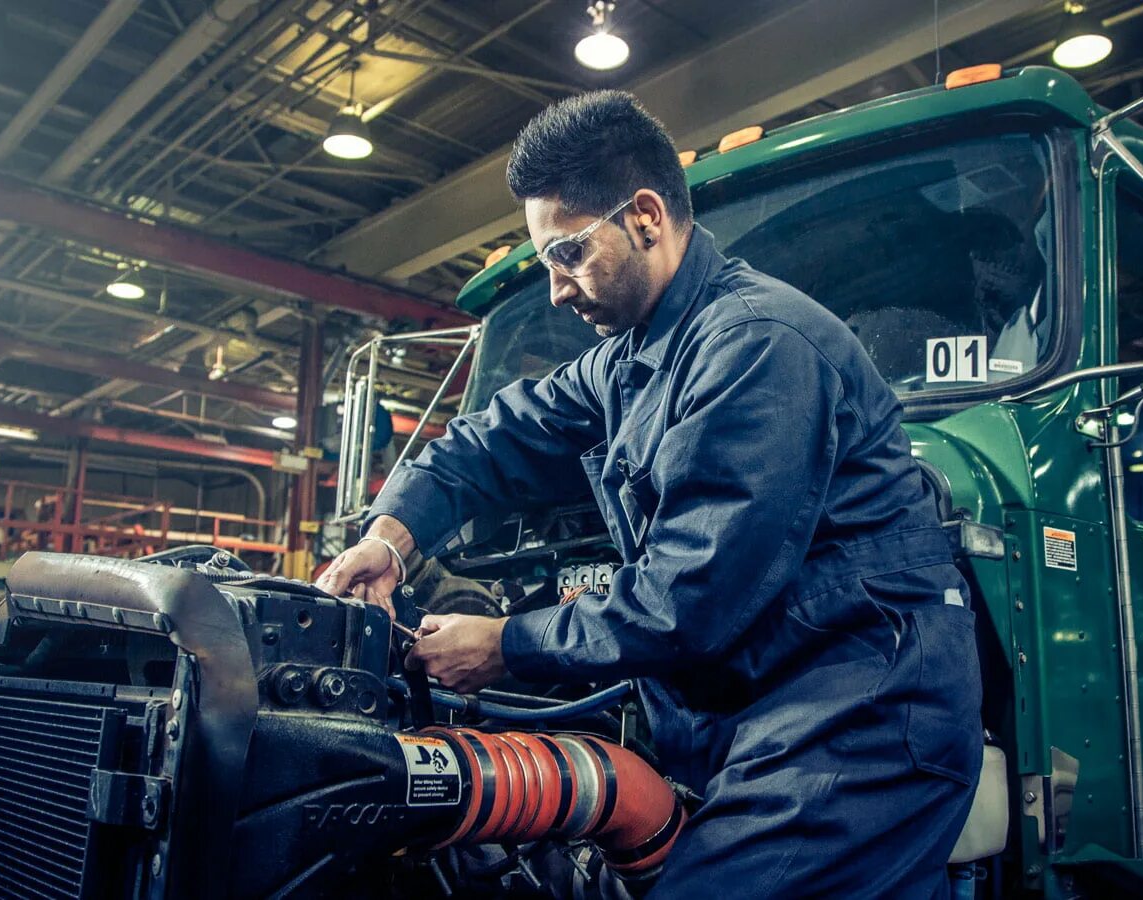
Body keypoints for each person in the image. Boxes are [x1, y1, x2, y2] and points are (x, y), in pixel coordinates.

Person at [316, 91, 982, 898]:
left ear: (644, 217)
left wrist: (506, 644)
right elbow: (491, 438)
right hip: (759, 705)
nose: (557, 291)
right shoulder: (633, 355)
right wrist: (389, 540)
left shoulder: (754, 344)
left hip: (862, 708)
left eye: (567, 255)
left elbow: (688, 598)